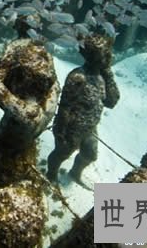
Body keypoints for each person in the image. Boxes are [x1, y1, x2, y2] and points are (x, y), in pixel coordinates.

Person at [47, 34, 120, 183]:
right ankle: (51, 175)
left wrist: (108, 73)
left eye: (107, 53)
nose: (108, 57)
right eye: (103, 54)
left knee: (90, 155)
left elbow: (112, 102)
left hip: (90, 127)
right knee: (61, 154)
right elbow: (64, 108)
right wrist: (61, 133)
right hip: (71, 129)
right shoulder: (77, 77)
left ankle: (75, 173)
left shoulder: (102, 77)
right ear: (91, 56)